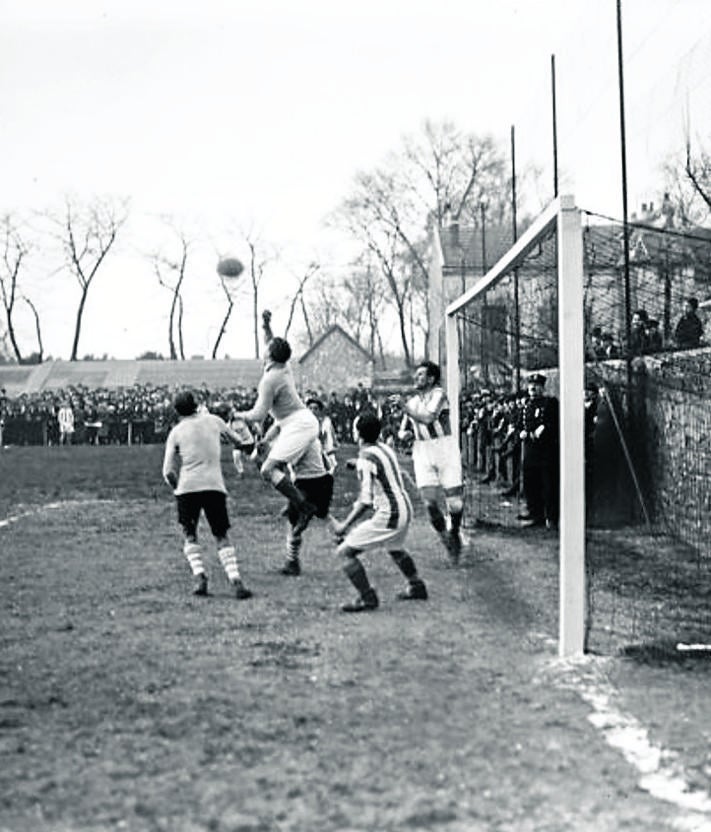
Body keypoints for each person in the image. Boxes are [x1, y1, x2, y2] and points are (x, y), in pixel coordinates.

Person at [232, 310, 320, 534]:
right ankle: (295, 503)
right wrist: (266, 325)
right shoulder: (284, 366)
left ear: (270, 356)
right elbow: (271, 341)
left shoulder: (269, 379)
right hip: (296, 422)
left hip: (297, 424)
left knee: (268, 469)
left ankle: (305, 507)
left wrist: (239, 415)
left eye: (267, 349)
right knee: (280, 467)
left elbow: (259, 415)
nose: (265, 349)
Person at [331, 412, 427, 613]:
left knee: (345, 553)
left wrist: (344, 525)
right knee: (395, 547)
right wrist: (357, 463)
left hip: (390, 513)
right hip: (404, 508)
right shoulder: (384, 448)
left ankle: (367, 598)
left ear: (358, 434)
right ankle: (416, 586)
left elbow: (365, 501)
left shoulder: (366, 458)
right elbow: (381, 466)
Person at [162, 389, 254, 599]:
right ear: (196, 405)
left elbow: (168, 471)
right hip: (213, 485)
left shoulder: (175, 432)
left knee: (190, 533)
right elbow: (239, 441)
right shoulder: (214, 421)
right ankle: (235, 580)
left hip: (187, 487)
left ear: (176, 410)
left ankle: (200, 577)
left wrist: (177, 488)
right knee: (221, 534)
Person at [393, 360, 464, 562]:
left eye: (421, 375)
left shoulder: (439, 394)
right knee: (430, 502)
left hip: (444, 448)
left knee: (455, 504)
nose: (416, 378)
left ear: (431, 378)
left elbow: (427, 418)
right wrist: (404, 434)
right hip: (422, 450)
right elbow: (404, 428)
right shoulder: (414, 401)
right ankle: (447, 541)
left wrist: (404, 408)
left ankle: (455, 530)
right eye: (417, 375)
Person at [259, 418, 335, 577]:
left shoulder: (300, 439)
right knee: (323, 516)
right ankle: (348, 541)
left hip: (307, 483)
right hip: (322, 480)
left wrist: (270, 451)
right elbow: (326, 463)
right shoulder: (310, 437)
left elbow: (288, 460)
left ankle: (292, 562)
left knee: (294, 525)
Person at [518, 373, 559, 529]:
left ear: (543, 387)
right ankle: (536, 515)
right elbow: (521, 424)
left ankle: (552, 517)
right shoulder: (527, 405)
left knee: (548, 484)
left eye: (536, 386)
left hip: (546, 451)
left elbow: (552, 424)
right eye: (530, 385)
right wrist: (522, 432)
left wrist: (544, 429)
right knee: (531, 483)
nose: (533, 388)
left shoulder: (550, 403)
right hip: (530, 450)